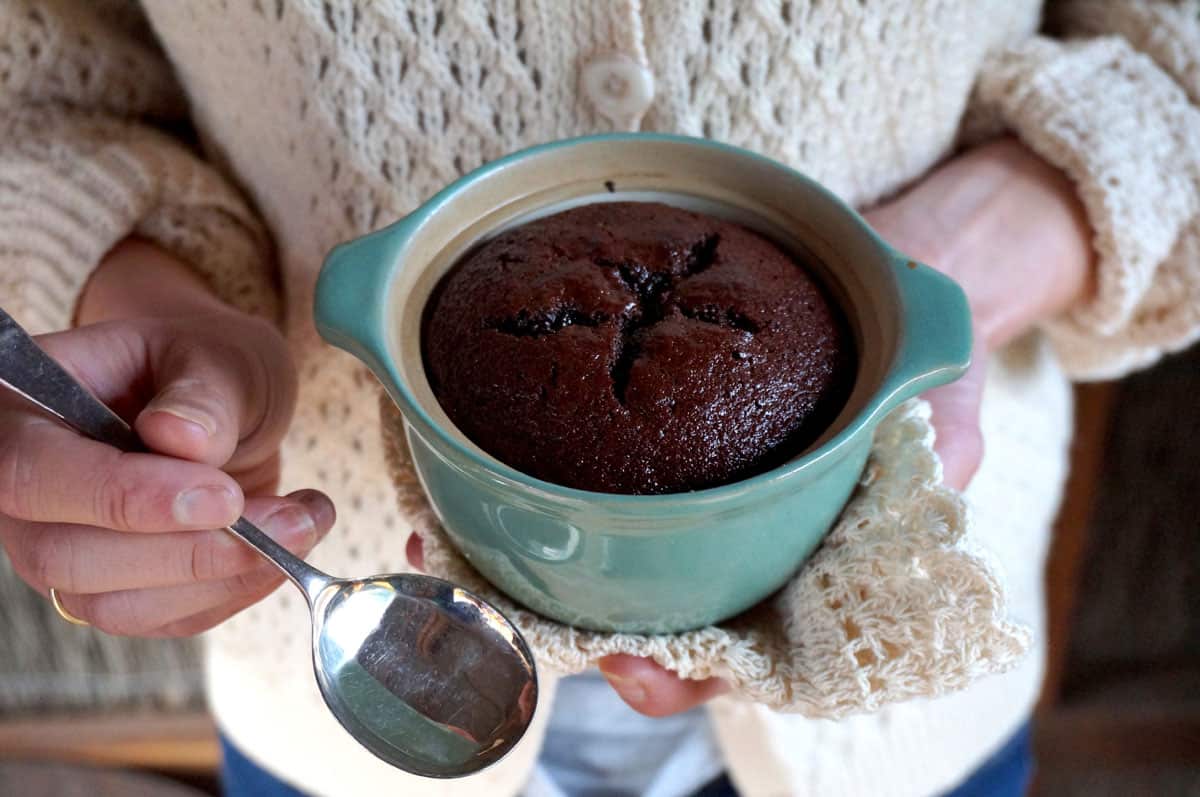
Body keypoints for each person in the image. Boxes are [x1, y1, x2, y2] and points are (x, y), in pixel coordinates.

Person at [0, 1, 1196, 795]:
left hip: (898, 729)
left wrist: (987, 245)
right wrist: (143, 285)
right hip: (362, 706)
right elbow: (37, 82)